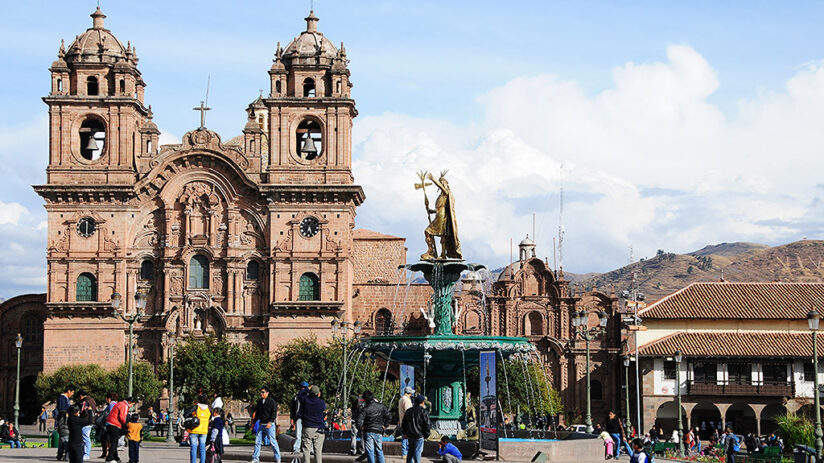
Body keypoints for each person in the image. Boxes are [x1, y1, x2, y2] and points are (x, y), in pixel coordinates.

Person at [357, 390, 390, 463]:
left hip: (368, 431)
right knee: (379, 450)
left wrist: (361, 428)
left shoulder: (365, 408)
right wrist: (385, 425)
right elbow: (389, 416)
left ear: (365, 399)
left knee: (370, 451)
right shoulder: (381, 406)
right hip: (379, 430)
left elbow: (358, 421)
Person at [251, 386, 280, 463]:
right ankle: (255, 458)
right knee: (257, 441)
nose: (261, 394)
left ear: (267, 393)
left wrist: (270, 422)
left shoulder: (272, 402)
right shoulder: (260, 402)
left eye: (263, 392)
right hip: (261, 424)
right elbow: (258, 413)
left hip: (269, 425)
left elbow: (274, 413)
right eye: (261, 392)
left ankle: (277, 457)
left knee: (273, 442)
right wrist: (254, 422)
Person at [301, 385, 327, 463]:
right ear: (318, 394)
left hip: (308, 428)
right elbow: (323, 411)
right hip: (319, 428)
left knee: (306, 450)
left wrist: (307, 388)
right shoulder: (321, 402)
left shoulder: (305, 400)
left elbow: (300, 394)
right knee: (318, 451)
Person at [401, 395, 430, 463]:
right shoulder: (423, 411)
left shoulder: (409, 411)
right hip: (419, 435)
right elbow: (427, 424)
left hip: (410, 435)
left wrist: (404, 433)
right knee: (417, 451)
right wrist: (426, 435)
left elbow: (404, 423)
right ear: (422, 402)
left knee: (410, 451)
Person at [105, 395, 133, 463]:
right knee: (114, 442)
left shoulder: (120, 403)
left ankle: (116, 457)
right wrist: (125, 424)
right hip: (115, 424)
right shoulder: (124, 405)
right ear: (130, 402)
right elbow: (122, 417)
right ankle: (109, 458)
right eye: (133, 404)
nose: (132, 406)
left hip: (109, 423)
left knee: (113, 442)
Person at [188, 394, 211, 463]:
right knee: (202, 448)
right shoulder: (209, 409)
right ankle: (202, 461)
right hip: (204, 430)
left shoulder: (196, 407)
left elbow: (186, 414)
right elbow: (211, 417)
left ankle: (193, 462)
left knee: (194, 447)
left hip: (194, 429)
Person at [77, 389, 97, 461]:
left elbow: (83, 412)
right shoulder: (92, 400)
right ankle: (86, 453)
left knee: (85, 438)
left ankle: (86, 454)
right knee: (86, 438)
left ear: (81, 396)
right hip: (91, 421)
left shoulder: (85, 402)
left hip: (86, 421)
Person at [290, 381, 309, 453]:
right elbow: (292, 408)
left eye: (305, 388)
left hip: (307, 417)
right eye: (302, 387)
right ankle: (296, 448)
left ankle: (309, 449)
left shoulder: (309, 396)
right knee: (298, 434)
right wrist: (292, 417)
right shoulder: (296, 397)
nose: (303, 389)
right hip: (299, 417)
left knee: (308, 434)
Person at [398, 386, 414, 460]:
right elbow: (408, 412)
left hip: (402, 421)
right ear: (409, 393)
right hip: (406, 422)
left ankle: (404, 453)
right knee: (406, 438)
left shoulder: (401, 398)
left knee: (404, 437)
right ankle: (405, 453)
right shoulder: (406, 400)